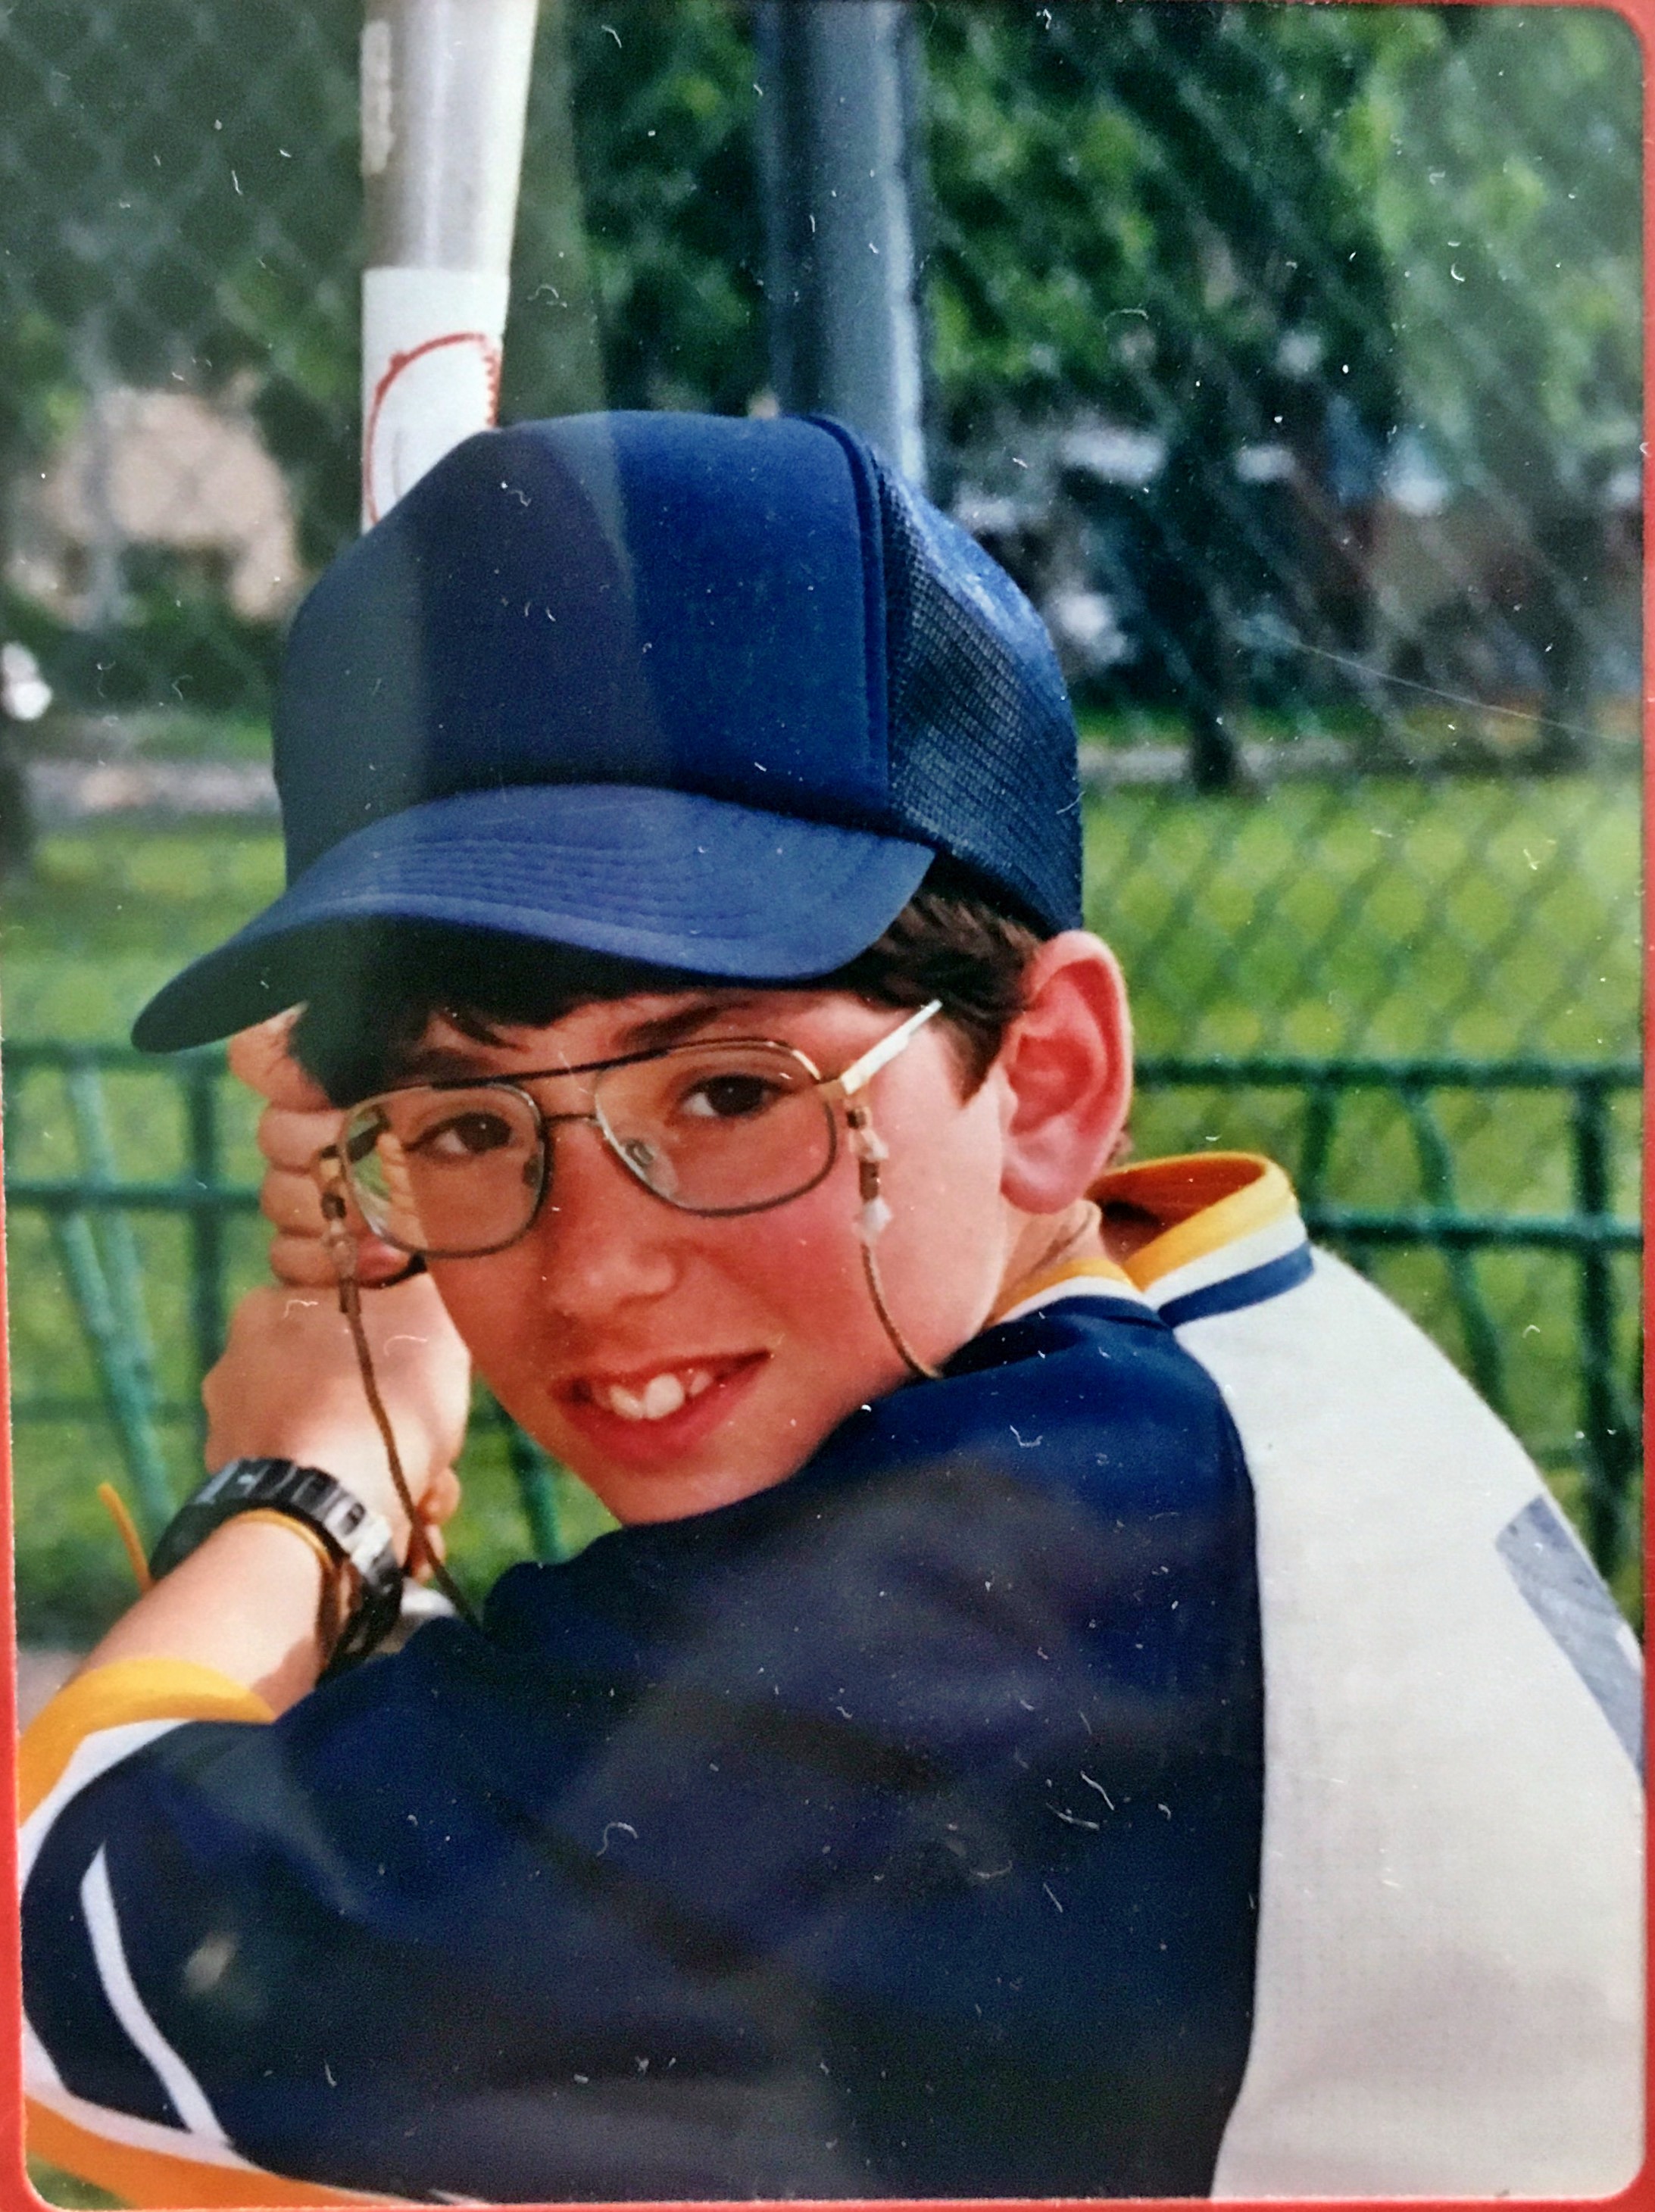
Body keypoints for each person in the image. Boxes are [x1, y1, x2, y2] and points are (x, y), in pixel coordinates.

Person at [19, 413, 1641, 2207]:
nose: (593, 1267)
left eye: (726, 1093)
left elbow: (67, 1978)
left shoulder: (1011, 1561)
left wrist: (308, 1488)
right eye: (472, 1125)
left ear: (1047, 1079)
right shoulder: (1206, 1364)